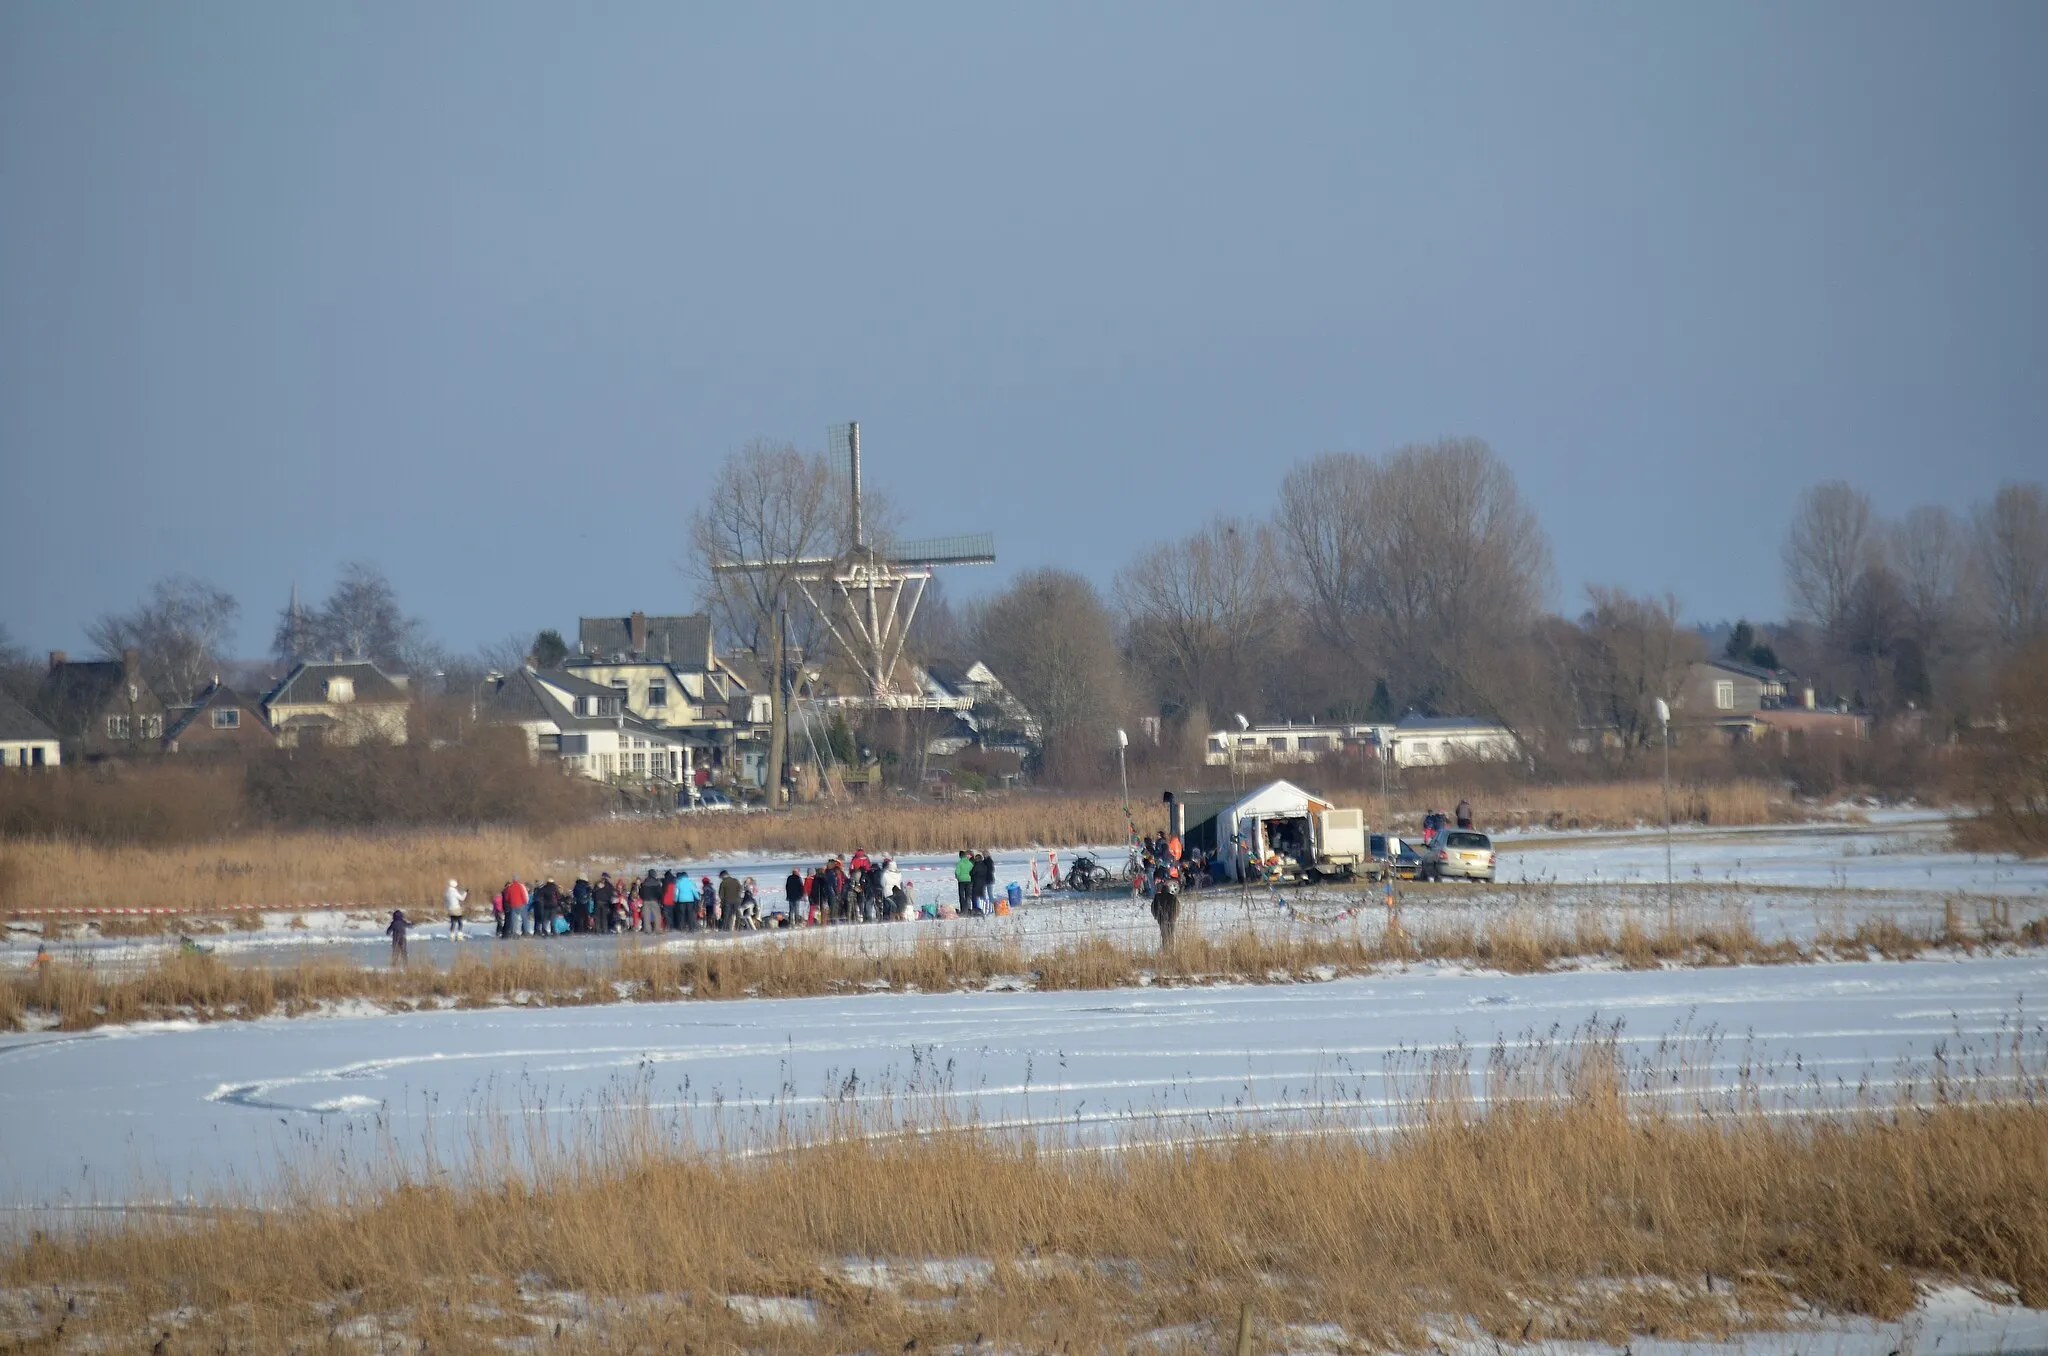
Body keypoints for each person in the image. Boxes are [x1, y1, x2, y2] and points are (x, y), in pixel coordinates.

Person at [1149, 864, 1179, 948]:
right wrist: (1174, 916)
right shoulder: (1173, 897)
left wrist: (1157, 916)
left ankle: (1165, 949)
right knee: (1171, 934)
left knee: (1164, 936)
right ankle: (1172, 949)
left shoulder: (1157, 897)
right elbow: (1177, 907)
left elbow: (1153, 908)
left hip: (1161, 919)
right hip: (1171, 919)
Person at [954, 850, 973, 914]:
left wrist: (958, 877)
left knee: (962, 896)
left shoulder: (959, 863)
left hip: (961, 881)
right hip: (969, 880)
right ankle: (968, 909)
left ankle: (963, 910)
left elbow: (957, 872)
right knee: (968, 895)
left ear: (960, 856)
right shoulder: (970, 863)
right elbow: (972, 870)